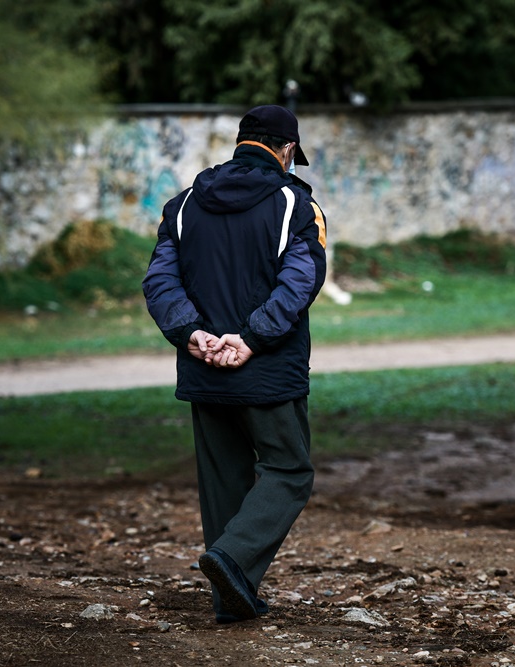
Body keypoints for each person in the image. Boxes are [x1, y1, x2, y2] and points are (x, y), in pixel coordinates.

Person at [142, 105, 328, 623]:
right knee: (289, 471)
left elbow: (160, 282)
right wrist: (251, 339)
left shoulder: (181, 207)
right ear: (287, 150)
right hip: (268, 372)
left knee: (224, 480)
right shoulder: (296, 205)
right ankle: (233, 560)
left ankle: (232, 601)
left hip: (204, 368)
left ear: (243, 143)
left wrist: (191, 333)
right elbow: (300, 283)